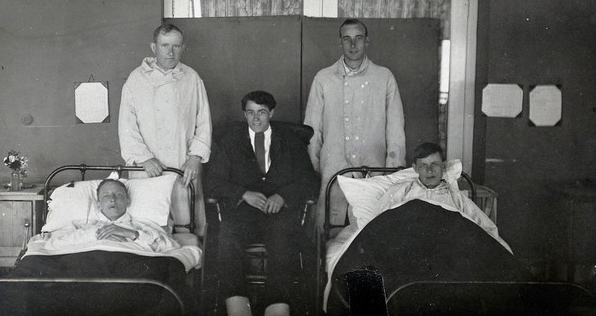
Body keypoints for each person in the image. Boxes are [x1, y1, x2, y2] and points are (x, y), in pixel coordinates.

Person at [203, 91, 319, 316]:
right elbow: (213, 181)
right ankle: (238, 304)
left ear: (271, 113)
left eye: (262, 113)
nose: (256, 119)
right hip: (242, 211)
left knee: (283, 239)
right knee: (226, 236)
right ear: (245, 114)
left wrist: (283, 196)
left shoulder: (291, 142)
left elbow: (308, 179)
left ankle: (276, 306)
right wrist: (244, 193)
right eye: (251, 113)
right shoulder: (229, 143)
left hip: (279, 212)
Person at [304, 18, 406, 231]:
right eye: (347, 39)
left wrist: (391, 169)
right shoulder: (323, 78)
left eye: (358, 39)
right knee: (331, 234)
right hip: (334, 171)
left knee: (372, 232)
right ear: (340, 42)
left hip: (375, 170)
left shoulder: (384, 77)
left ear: (366, 41)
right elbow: (312, 129)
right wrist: (315, 167)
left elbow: (395, 129)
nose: (353, 45)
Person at [118, 23, 212, 235]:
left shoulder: (191, 78)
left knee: (186, 226)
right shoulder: (136, 80)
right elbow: (127, 125)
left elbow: (203, 121)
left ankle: (190, 264)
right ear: (154, 47)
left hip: (183, 165)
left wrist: (195, 157)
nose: (171, 52)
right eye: (165, 45)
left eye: (176, 46)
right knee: (149, 227)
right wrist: (143, 158)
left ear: (183, 48)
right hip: (147, 170)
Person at [373, 142, 511, 252]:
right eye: (423, 166)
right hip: (408, 250)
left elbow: (486, 229)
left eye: (435, 164)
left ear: (443, 166)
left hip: (447, 252)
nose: (429, 170)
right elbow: (376, 225)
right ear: (415, 168)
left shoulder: (456, 198)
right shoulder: (400, 191)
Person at [45, 179, 179, 252]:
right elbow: (52, 245)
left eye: (118, 195)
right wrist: (95, 234)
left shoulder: (142, 226)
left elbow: (170, 247)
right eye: (106, 196)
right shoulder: (82, 226)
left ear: (128, 201)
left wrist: (130, 234)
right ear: (98, 204)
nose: (112, 199)